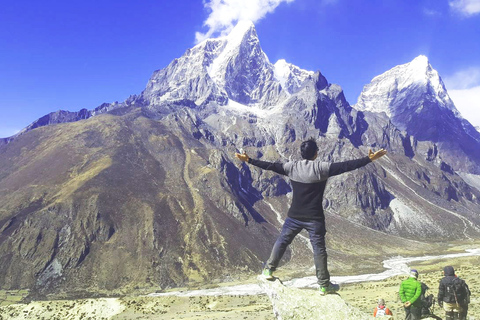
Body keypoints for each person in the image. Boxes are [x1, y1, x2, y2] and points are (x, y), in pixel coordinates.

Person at [235, 138, 387, 295]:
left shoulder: (292, 167)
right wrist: (369, 159)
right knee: (319, 250)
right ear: (316, 153)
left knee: (282, 241)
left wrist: (249, 160)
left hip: (294, 216)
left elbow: (270, 166)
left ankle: (268, 270)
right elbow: (347, 166)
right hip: (315, 218)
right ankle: (323, 285)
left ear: (301, 153)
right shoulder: (322, 168)